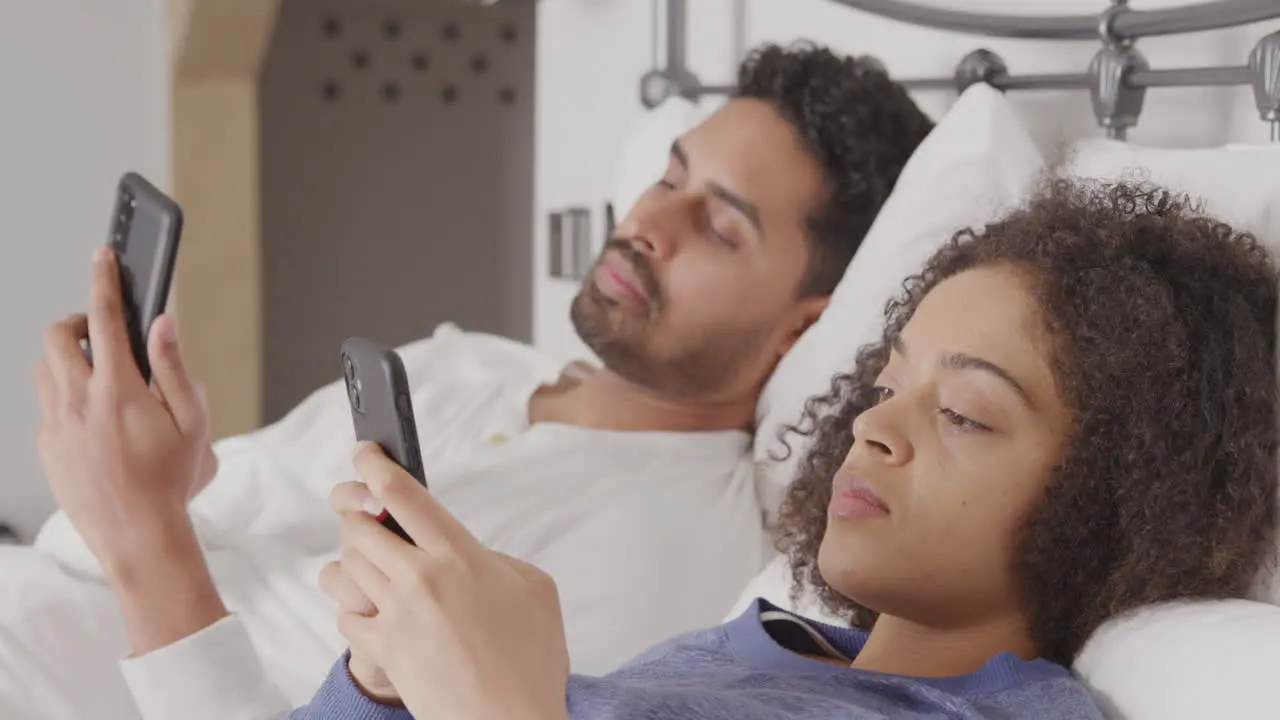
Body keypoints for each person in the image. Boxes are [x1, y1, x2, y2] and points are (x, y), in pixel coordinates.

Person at [18, 42, 934, 719]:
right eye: (670, 175)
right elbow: (115, 539)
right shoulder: (467, 364)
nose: (654, 222)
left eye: (723, 228)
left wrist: (145, 539)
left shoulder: (674, 547)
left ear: (804, 325)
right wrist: (154, 479)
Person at [290, 178, 1278, 719]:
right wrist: (384, 681)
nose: (870, 426)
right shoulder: (732, 647)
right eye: (886, 384)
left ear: (1121, 497)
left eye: (964, 414)